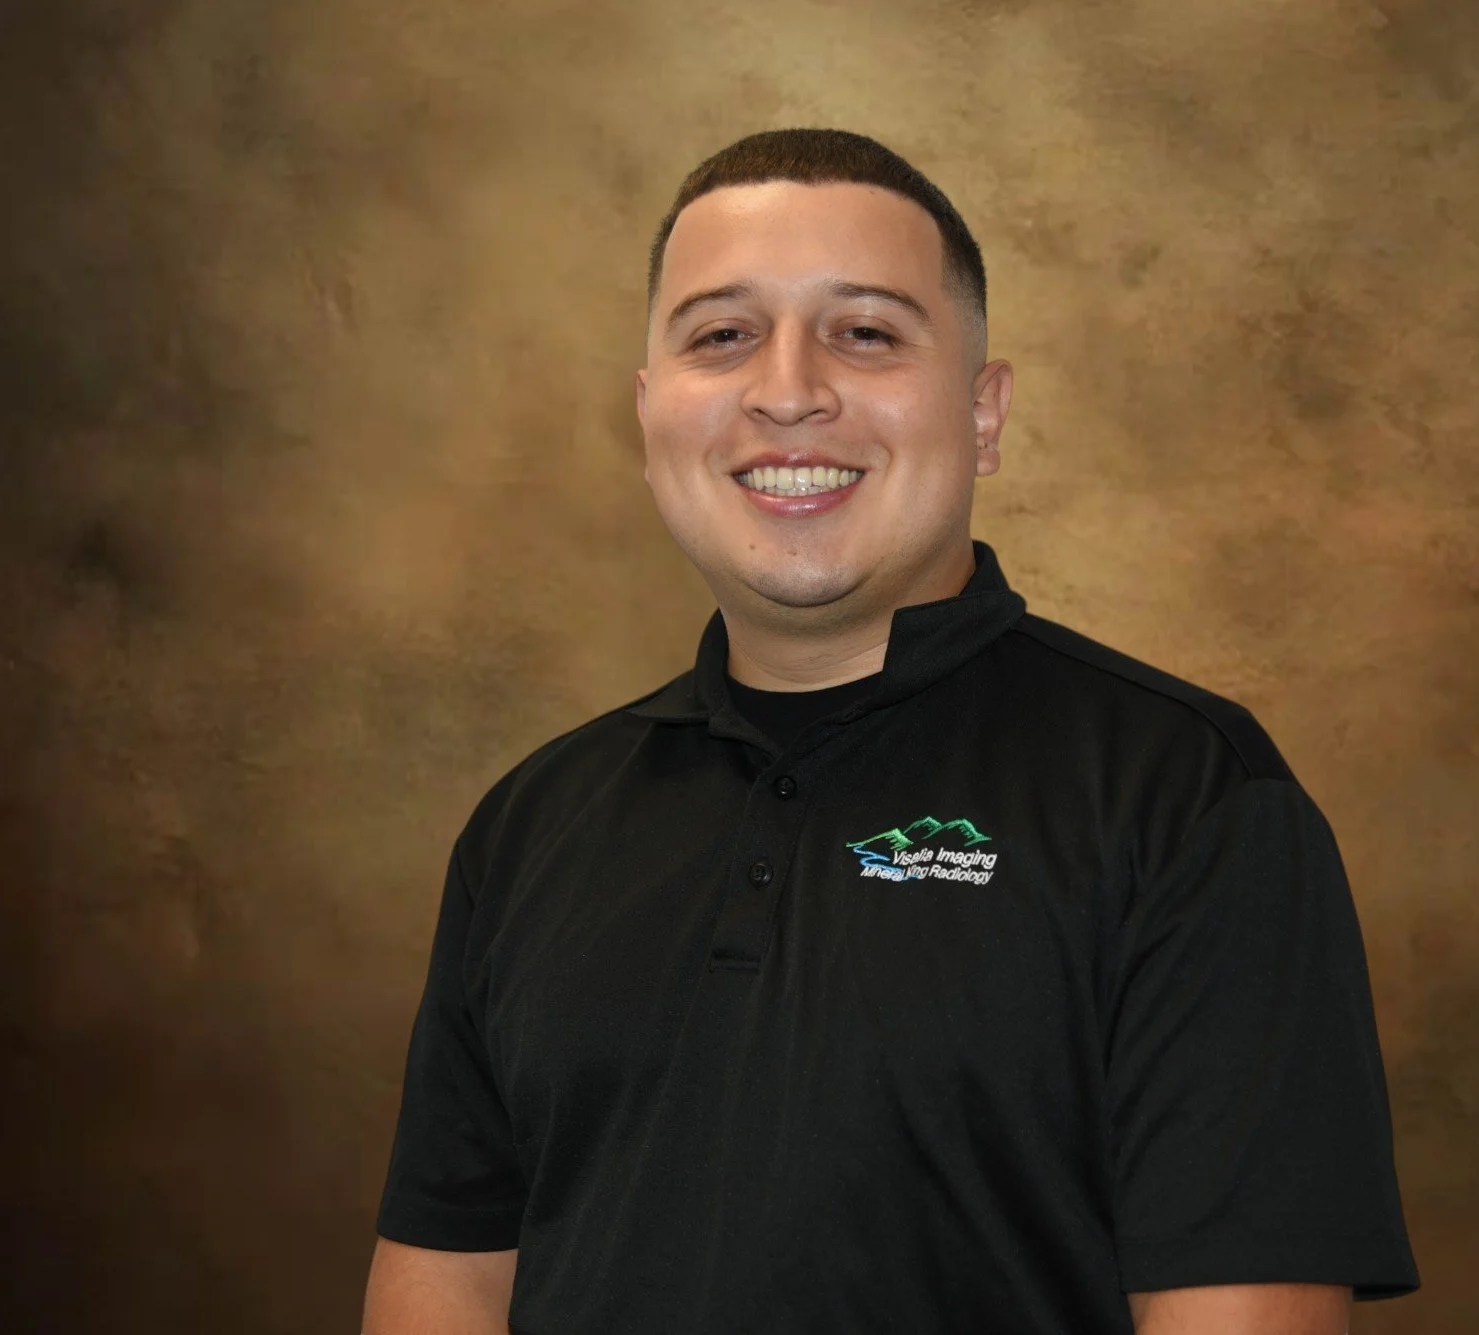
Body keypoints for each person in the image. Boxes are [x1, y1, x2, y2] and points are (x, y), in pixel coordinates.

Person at [361, 127, 1419, 1335]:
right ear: (651, 418)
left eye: (863, 333)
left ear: (982, 412)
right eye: (721, 335)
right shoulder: (531, 824)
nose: (787, 391)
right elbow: (447, 1282)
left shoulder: (1187, 799)